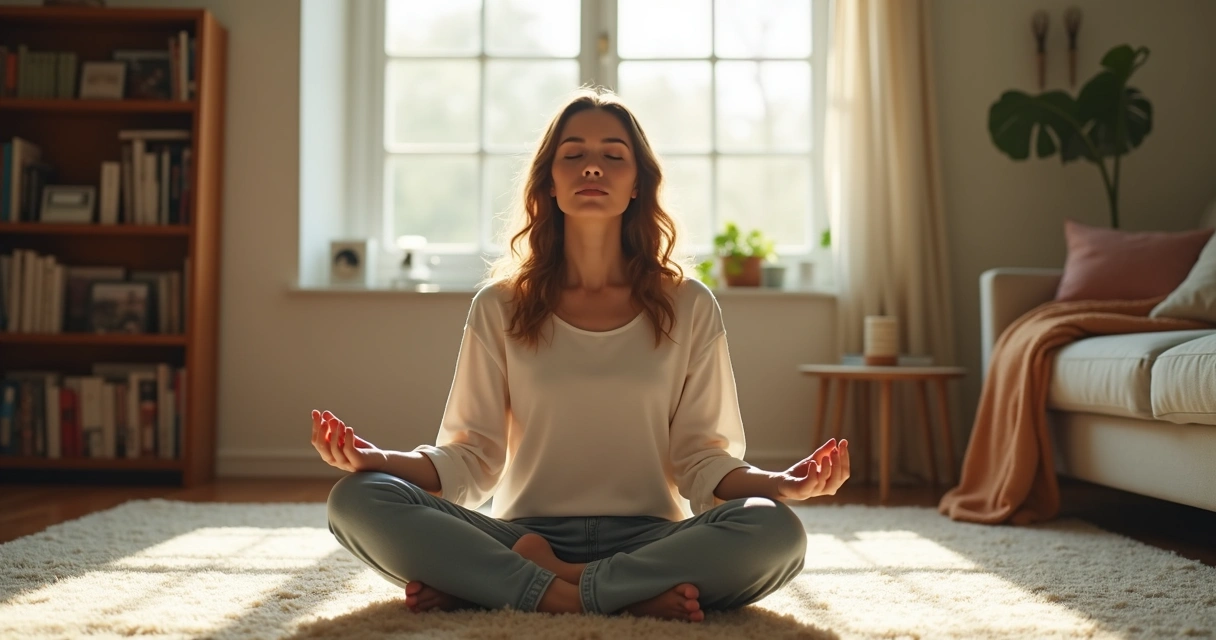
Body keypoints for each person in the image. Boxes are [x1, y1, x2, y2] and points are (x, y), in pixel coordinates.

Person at [313, 87, 850, 623]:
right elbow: (471, 458)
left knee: (774, 529)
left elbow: (703, 462)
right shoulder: (500, 306)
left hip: (649, 539)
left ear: (638, 182)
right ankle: (608, 596)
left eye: (613, 155)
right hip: (522, 535)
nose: (592, 168)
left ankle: (509, 587)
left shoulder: (689, 304)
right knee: (358, 498)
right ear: (550, 180)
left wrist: (781, 484)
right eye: (574, 155)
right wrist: (377, 460)